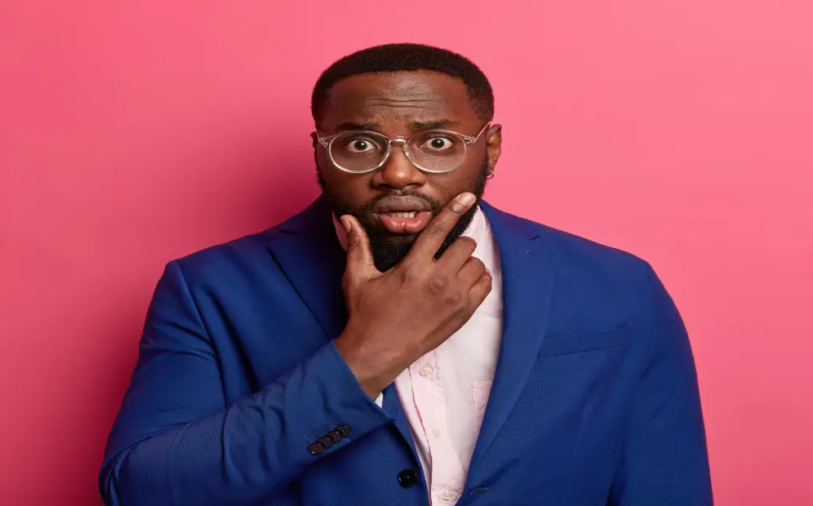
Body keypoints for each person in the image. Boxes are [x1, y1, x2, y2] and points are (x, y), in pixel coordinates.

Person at [99, 43, 712, 506]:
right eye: (361, 145)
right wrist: (365, 356)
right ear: (320, 150)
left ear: (489, 148)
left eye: (438, 143)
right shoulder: (211, 289)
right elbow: (142, 489)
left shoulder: (618, 288)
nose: (398, 174)